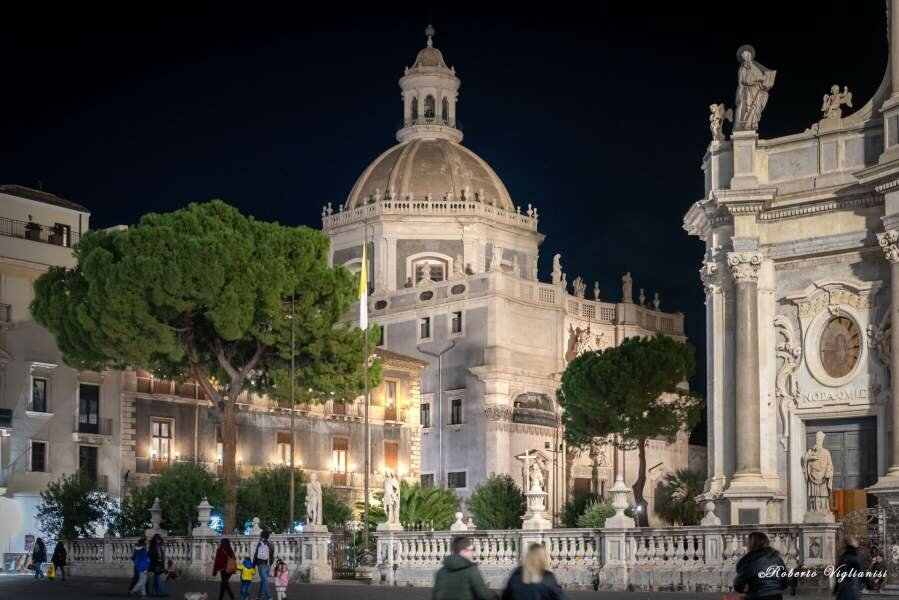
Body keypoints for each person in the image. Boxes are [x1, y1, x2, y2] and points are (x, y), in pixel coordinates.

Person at [432, 536, 497, 600]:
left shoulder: (440, 572)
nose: (473, 553)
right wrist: (495, 595)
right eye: (472, 549)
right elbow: (484, 595)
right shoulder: (471, 571)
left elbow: (435, 596)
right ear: (463, 551)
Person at [733, 531, 788, 600]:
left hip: (757, 596)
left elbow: (738, 585)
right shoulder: (776, 558)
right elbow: (785, 581)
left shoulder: (748, 560)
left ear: (750, 544)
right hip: (776, 596)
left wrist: (746, 591)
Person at [253, 530, 275, 600]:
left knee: (265, 581)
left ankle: (270, 596)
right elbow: (272, 556)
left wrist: (253, 564)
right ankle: (258, 596)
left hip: (261, 564)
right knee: (263, 581)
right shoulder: (271, 545)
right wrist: (270, 564)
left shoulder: (260, 544)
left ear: (262, 536)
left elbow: (256, 555)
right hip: (268, 564)